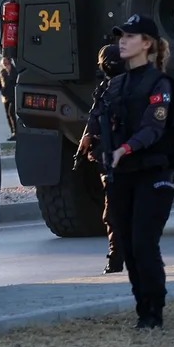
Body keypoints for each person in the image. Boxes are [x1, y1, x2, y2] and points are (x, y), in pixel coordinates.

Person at [93, 13, 174, 330]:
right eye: (121, 37)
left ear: (147, 44)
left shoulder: (161, 83)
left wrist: (125, 149)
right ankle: (143, 308)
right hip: (122, 176)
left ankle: (153, 311)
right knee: (127, 246)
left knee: (144, 244)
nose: (122, 41)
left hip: (153, 173)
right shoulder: (114, 85)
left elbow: (154, 127)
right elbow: (101, 122)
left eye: (130, 37)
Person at [75, 42, 127, 274]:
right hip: (121, 158)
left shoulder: (113, 90)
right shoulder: (112, 88)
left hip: (121, 159)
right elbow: (95, 121)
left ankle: (117, 259)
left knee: (114, 213)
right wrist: (88, 139)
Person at [0, 54, 20, 141]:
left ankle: (16, 132)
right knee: (8, 115)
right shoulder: (2, 72)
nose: (4, 63)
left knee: (11, 113)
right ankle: (13, 133)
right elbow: (0, 84)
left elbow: (17, 82)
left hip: (13, 96)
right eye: (3, 62)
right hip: (5, 97)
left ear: (9, 61)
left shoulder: (15, 71)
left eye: (5, 62)